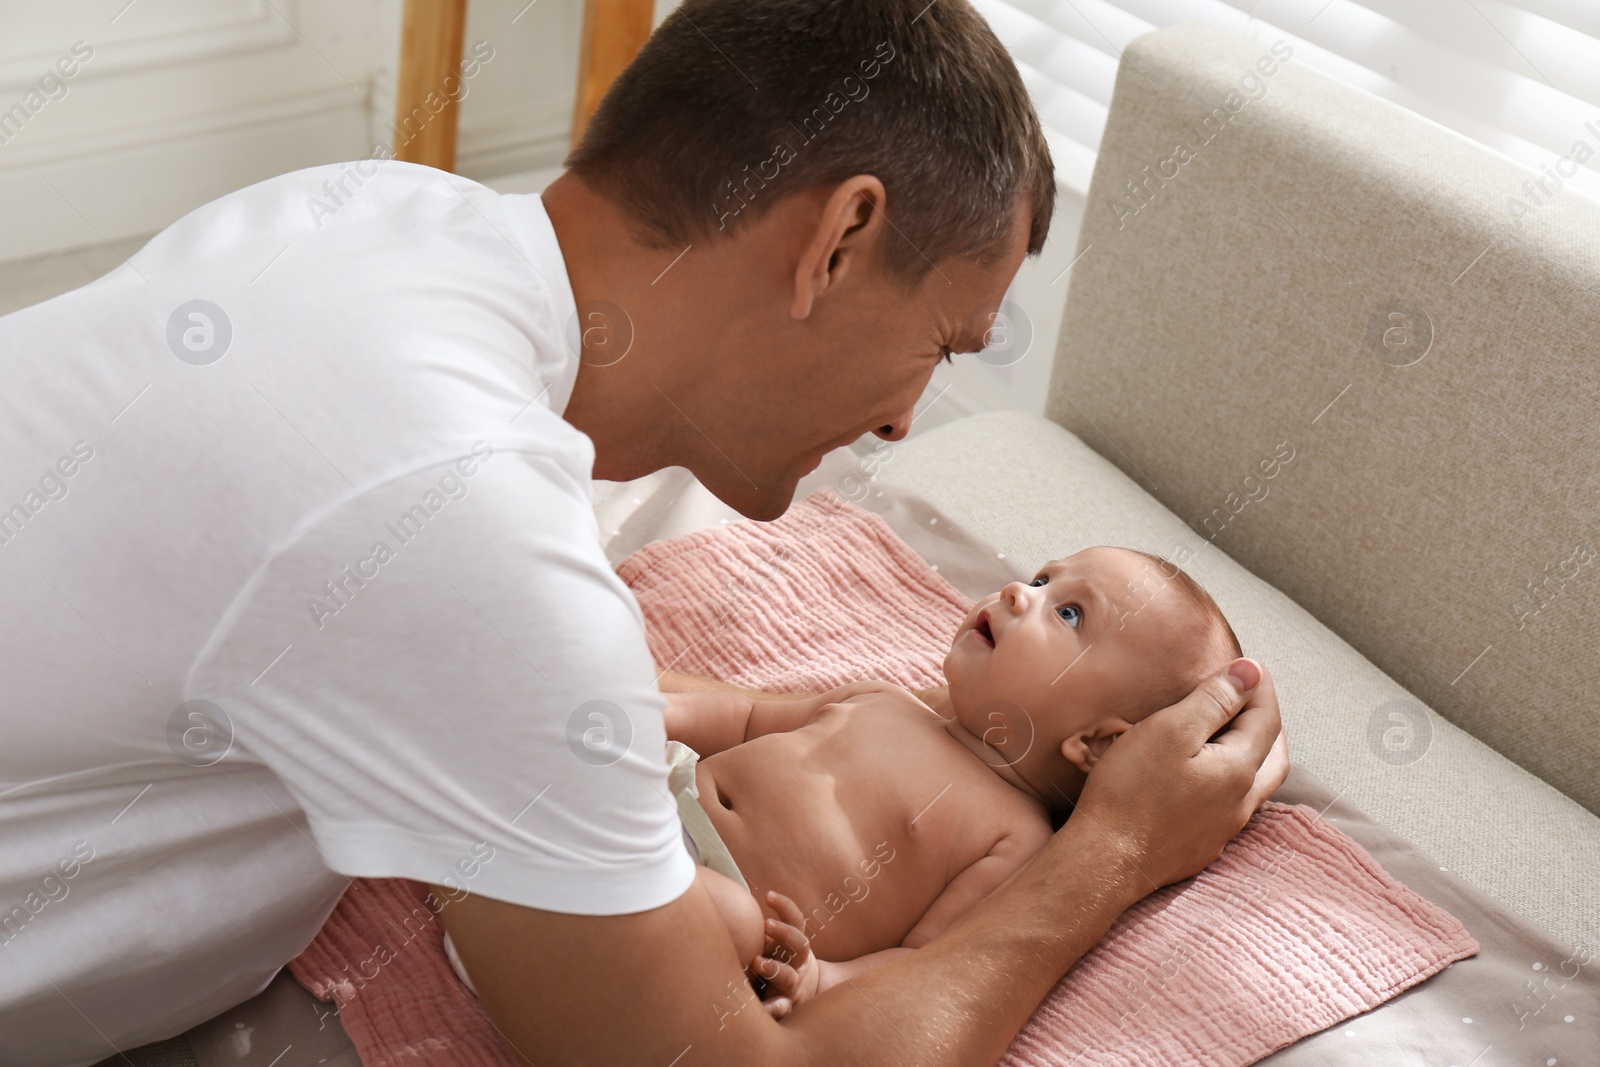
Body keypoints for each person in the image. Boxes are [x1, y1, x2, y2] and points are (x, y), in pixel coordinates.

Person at [0, 0, 1286, 1064]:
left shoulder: (362, 208)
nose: (905, 420)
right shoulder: (464, 532)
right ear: (839, 241)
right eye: (939, 346)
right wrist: (1113, 851)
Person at [442, 547, 1249, 1015]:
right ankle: (499, 875)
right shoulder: (888, 701)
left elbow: (928, 961)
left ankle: (534, 933)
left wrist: (825, 979)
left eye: (1069, 613)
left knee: (721, 918)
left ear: (1097, 744)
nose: (1018, 591)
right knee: (565, 730)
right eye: (1042, 578)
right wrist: (653, 714)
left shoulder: (1013, 838)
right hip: (652, 799)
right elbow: (752, 718)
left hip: (719, 903)